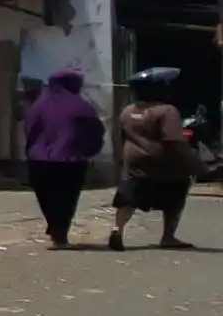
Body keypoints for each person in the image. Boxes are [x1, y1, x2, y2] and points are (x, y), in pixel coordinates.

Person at [109, 67, 198, 251]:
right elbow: (174, 139)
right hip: (165, 163)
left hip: (135, 162)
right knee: (175, 196)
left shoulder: (128, 110)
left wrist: (120, 158)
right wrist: (194, 163)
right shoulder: (167, 111)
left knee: (129, 198)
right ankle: (168, 237)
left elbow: (117, 136)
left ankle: (117, 229)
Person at [22, 69, 105, 248]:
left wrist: (32, 151)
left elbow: (29, 130)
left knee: (46, 198)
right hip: (71, 161)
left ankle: (55, 228)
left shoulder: (38, 105)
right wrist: (89, 151)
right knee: (67, 198)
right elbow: (95, 132)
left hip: (39, 161)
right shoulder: (83, 106)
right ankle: (60, 233)